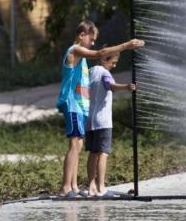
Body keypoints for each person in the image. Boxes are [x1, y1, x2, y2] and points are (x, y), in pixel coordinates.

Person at [56, 20, 144, 197]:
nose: (93, 42)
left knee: (79, 145)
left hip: (80, 106)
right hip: (72, 103)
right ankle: (66, 188)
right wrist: (126, 45)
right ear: (82, 35)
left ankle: (73, 186)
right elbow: (100, 53)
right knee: (75, 144)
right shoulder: (75, 50)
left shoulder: (82, 60)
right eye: (91, 38)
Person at [85, 53, 136, 197]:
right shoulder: (105, 73)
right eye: (113, 62)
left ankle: (91, 186)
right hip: (103, 121)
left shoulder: (91, 71)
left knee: (93, 153)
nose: (114, 65)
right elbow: (110, 85)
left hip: (90, 121)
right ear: (103, 59)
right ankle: (101, 187)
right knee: (103, 153)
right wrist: (126, 86)